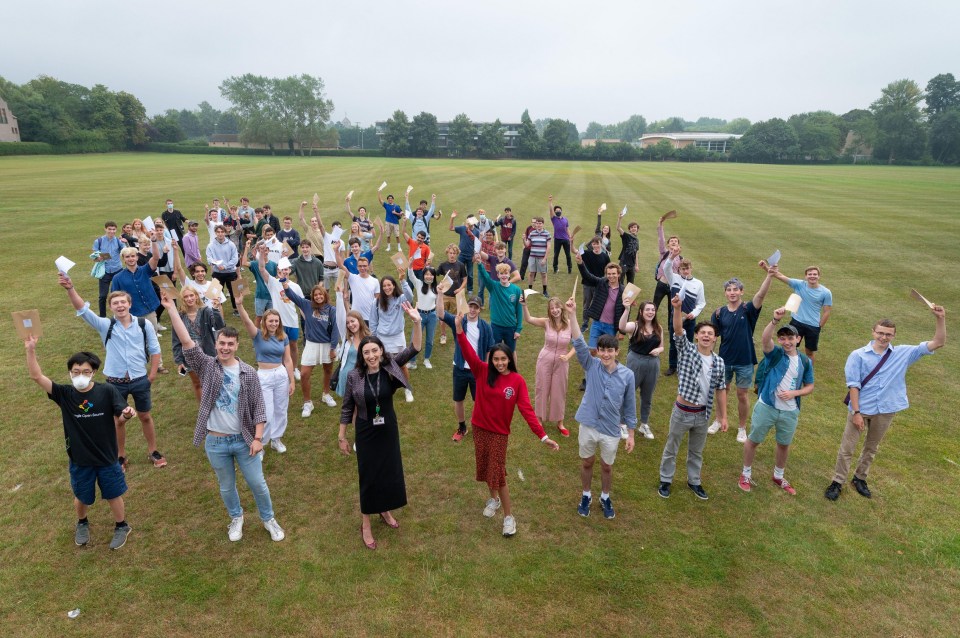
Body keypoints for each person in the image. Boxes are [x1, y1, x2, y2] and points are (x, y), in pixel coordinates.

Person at [159, 293, 286, 543]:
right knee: (227, 487)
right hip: (216, 443)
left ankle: (268, 519)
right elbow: (186, 341)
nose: (225, 348)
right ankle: (236, 517)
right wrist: (171, 309)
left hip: (244, 441)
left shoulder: (248, 373)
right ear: (216, 344)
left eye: (230, 344)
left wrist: (258, 438)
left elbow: (259, 409)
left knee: (258, 484)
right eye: (222, 343)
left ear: (237, 346)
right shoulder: (207, 366)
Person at [824, 304, 946, 501]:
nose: (883, 337)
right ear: (873, 332)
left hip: (886, 409)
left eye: (888, 334)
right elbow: (853, 386)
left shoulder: (903, 353)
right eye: (880, 333)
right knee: (848, 448)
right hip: (861, 409)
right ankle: (837, 482)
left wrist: (940, 318)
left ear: (894, 336)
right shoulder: (858, 355)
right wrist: (856, 413)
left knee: (871, 448)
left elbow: (938, 342)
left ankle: (860, 478)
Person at [26, 338, 136, 550]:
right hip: (80, 458)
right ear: (69, 372)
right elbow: (36, 376)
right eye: (75, 371)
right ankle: (82, 523)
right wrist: (31, 350)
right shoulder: (65, 394)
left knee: (114, 493)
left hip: (106, 456)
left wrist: (126, 415)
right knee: (82, 496)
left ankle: (122, 526)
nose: (80, 376)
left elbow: (121, 417)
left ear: (93, 372)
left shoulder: (107, 391)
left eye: (85, 372)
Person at [456, 318, 560, 537]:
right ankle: (492, 500)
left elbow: (527, 411)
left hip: (499, 435)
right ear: (491, 359)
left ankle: (508, 517)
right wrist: (458, 330)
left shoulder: (517, 381)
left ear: (509, 360)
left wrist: (543, 436)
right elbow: (467, 352)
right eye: (496, 359)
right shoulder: (482, 371)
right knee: (486, 468)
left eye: (503, 359)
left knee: (499, 474)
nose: (499, 363)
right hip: (480, 429)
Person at [60, 275, 167, 470]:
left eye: (122, 302)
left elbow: (155, 350)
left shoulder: (144, 324)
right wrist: (70, 288)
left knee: (145, 416)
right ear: (111, 307)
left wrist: (151, 375)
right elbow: (83, 310)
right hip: (114, 383)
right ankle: (120, 456)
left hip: (140, 379)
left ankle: (153, 451)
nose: (120, 306)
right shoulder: (105, 325)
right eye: (115, 303)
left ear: (129, 304)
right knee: (119, 420)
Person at [338, 306, 422, 550]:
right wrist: (342, 436)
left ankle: (384, 510)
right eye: (367, 352)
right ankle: (366, 523)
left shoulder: (390, 368)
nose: (372, 355)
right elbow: (346, 408)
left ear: (381, 351)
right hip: (365, 431)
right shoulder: (354, 376)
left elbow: (414, 348)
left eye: (375, 350)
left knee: (387, 471)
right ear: (361, 356)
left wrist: (416, 323)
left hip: (388, 429)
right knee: (368, 475)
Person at [567, 298, 637, 520]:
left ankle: (605, 496)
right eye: (602, 350)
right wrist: (572, 314)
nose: (606, 354)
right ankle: (586, 494)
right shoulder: (591, 365)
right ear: (597, 351)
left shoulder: (627, 375)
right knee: (587, 461)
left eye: (610, 351)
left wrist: (631, 434)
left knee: (607, 466)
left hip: (610, 428)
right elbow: (578, 342)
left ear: (617, 351)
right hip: (588, 423)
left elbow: (629, 406)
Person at [657, 294, 727, 501]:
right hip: (682, 412)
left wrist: (723, 417)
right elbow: (678, 331)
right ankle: (665, 480)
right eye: (703, 333)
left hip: (703, 415)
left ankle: (694, 481)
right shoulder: (687, 351)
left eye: (710, 333)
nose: (706, 336)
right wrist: (677, 309)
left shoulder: (719, 362)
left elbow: (721, 390)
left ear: (715, 338)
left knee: (696, 452)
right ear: (696, 336)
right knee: (672, 447)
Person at [739, 310, 815, 495]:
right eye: (782, 338)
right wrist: (774, 321)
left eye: (790, 338)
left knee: (784, 443)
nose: (786, 342)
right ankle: (745, 474)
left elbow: (810, 386)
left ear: (798, 339)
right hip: (767, 407)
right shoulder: (776, 355)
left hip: (790, 411)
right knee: (754, 440)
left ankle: (778, 475)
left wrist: (794, 393)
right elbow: (765, 340)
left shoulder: (805, 361)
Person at [707, 267, 776, 443]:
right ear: (725, 293)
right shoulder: (719, 312)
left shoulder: (748, 309)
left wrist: (769, 276)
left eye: (735, 289)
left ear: (741, 291)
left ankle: (742, 428)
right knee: (722, 390)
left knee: (742, 394)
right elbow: (712, 337)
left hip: (745, 360)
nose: (732, 292)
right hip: (724, 359)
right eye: (729, 290)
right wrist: (709, 357)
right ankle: (718, 419)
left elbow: (760, 295)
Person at [235, 294, 295, 454]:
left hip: (281, 375)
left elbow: (288, 360)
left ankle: (276, 439)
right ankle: (261, 443)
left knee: (281, 409)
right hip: (264, 376)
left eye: (276, 321)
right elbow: (247, 321)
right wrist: (240, 306)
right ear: (265, 322)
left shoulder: (284, 337)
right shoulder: (258, 335)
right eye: (270, 321)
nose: (274, 323)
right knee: (266, 413)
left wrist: (292, 381)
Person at [437, 287, 494, 442]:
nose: (473, 310)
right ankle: (462, 427)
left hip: (478, 371)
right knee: (459, 399)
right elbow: (441, 314)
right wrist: (440, 294)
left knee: (480, 401)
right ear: (467, 306)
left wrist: (487, 369)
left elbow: (489, 349)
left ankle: (481, 427)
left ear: (480, 309)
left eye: (476, 307)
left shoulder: (486, 327)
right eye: (471, 306)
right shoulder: (459, 321)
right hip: (460, 368)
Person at [283, 281, 339, 416]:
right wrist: (284, 283)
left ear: (325, 295)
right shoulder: (307, 305)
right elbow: (292, 296)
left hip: (327, 344)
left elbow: (335, 330)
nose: (318, 297)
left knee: (328, 370)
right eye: (316, 295)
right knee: (304, 374)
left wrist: (333, 347)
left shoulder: (331, 310)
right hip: (311, 344)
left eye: (321, 294)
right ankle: (308, 403)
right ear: (312, 297)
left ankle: (326, 394)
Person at [522, 295, 574, 438]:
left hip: (562, 363)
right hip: (544, 360)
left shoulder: (570, 324)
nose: (555, 310)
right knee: (542, 388)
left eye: (557, 307)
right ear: (549, 311)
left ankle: (560, 422)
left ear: (562, 308)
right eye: (552, 308)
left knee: (559, 391)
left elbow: (578, 343)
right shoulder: (546, 323)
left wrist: (568, 356)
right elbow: (529, 319)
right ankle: (539, 418)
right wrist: (524, 305)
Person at [766, 262, 833, 361]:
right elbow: (779, 275)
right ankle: (788, 370)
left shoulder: (826, 292)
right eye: (809, 274)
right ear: (806, 276)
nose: (812, 276)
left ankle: (808, 374)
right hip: (796, 322)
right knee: (789, 347)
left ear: (819, 276)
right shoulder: (799, 284)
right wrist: (765, 267)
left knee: (809, 352)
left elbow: (827, 311)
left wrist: (820, 326)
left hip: (813, 326)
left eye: (815, 274)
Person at [619, 299, 663, 441]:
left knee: (647, 396)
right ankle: (622, 423)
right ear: (641, 312)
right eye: (647, 310)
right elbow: (622, 327)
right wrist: (626, 309)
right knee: (628, 393)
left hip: (653, 364)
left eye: (653, 310)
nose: (650, 312)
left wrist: (659, 349)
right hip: (635, 362)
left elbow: (662, 346)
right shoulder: (635, 326)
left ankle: (644, 424)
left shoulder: (658, 328)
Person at [253, 253, 303, 377]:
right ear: (278, 271)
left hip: (292, 321)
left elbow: (301, 305)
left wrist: (307, 320)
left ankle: (294, 368)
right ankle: (280, 368)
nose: (284, 272)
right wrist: (261, 254)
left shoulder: (295, 287)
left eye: (286, 269)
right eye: (281, 270)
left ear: (290, 270)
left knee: (293, 345)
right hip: (278, 323)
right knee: (279, 346)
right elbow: (261, 269)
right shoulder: (273, 283)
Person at [172, 286, 225, 403]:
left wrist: (216, 309)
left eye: (192, 295)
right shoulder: (179, 316)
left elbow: (219, 326)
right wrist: (179, 361)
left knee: (214, 381)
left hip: (208, 352)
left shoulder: (206, 311)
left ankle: (218, 407)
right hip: (189, 355)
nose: (190, 298)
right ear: (183, 299)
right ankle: (204, 410)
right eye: (186, 297)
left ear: (196, 296)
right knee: (197, 384)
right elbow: (176, 339)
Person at [369, 272, 415, 401]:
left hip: (397, 337)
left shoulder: (400, 299)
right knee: (382, 365)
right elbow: (373, 321)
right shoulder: (377, 302)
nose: (387, 288)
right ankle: (384, 390)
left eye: (389, 285)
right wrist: (374, 338)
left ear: (394, 286)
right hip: (382, 338)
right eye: (384, 286)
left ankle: (407, 389)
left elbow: (410, 297)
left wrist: (403, 281)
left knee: (402, 365)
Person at [663, 258, 706, 377]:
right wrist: (671, 257)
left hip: (690, 319)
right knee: (673, 342)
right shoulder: (674, 279)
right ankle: (672, 366)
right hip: (675, 318)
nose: (685, 271)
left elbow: (701, 303)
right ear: (679, 269)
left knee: (688, 343)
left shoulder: (698, 284)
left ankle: (685, 366)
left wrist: (694, 313)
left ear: (691, 268)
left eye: (687, 268)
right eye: (683, 269)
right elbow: (666, 268)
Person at [475, 258, 523, 353]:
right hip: (496, 327)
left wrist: (518, 329)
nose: (504, 276)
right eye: (501, 273)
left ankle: (512, 368)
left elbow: (519, 310)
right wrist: (480, 264)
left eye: (506, 273)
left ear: (509, 274)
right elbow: (485, 277)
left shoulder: (517, 290)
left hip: (511, 328)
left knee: (510, 352)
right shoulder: (493, 287)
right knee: (494, 351)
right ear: (498, 275)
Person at [406, 265, 438, 370]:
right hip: (419, 315)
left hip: (432, 315)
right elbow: (410, 275)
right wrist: (410, 265)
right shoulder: (419, 284)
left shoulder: (436, 288)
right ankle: (412, 361)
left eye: (431, 274)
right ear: (423, 275)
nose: (428, 276)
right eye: (426, 274)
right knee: (414, 339)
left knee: (430, 339)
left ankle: (426, 359)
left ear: (434, 276)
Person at [334, 310, 371, 399]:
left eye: (352, 321)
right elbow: (339, 317)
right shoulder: (347, 339)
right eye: (347, 323)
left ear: (359, 321)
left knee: (362, 406)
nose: (350, 325)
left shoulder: (369, 338)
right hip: (346, 376)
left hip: (363, 376)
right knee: (349, 408)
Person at [435, 244, 467, 345]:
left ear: (457, 254)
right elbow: (434, 274)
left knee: (456, 317)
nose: (452, 255)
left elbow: (465, 279)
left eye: (454, 253)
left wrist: (460, 289)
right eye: (450, 253)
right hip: (444, 295)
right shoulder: (443, 265)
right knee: (442, 317)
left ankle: (457, 334)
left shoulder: (461, 265)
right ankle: (443, 335)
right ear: (447, 253)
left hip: (456, 296)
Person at [578, 234, 611, 332]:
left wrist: (606, 282)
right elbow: (576, 252)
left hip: (599, 285)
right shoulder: (587, 254)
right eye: (594, 244)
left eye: (597, 244)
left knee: (599, 304)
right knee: (586, 305)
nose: (596, 246)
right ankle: (585, 324)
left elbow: (608, 270)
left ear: (601, 244)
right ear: (592, 245)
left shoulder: (605, 257)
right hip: (587, 284)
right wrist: (571, 242)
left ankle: (598, 323)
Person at [336, 251, 381, 323]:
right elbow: (340, 265)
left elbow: (378, 300)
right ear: (357, 267)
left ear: (368, 267)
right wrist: (336, 251)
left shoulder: (375, 281)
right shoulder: (353, 278)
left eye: (364, 266)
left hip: (371, 317)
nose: (362, 268)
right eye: (360, 266)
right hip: (356, 317)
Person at [206, 225, 240, 317]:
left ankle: (236, 309)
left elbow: (235, 259)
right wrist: (215, 263)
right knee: (215, 292)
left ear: (225, 233)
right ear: (215, 233)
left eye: (222, 232)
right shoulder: (211, 245)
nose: (220, 234)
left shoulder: (231, 244)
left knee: (233, 292)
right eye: (218, 232)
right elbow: (209, 258)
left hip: (230, 272)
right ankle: (217, 309)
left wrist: (225, 266)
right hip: (217, 273)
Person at [93, 221, 124, 317]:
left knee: (118, 295)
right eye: (109, 229)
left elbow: (125, 252)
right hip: (105, 271)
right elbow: (94, 257)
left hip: (117, 270)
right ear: (105, 229)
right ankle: (102, 317)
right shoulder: (99, 241)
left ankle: (120, 315)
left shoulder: (119, 241)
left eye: (114, 229)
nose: (111, 231)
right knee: (102, 296)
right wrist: (98, 258)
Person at [652, 213, 682, 313]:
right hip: (662, 284)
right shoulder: (664, 253)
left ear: (678, 245)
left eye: (675, 241)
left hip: (673, 286)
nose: (673, 242)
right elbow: (661, 239)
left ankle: (671, 328)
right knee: (654, 306)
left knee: (672, 310)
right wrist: (660, 225)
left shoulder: (681, 258)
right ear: (668, 244)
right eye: (671, 241)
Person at [449, 210, 478, 294]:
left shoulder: (477, 231)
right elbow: (451, 228)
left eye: (471, 220)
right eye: (468, 220)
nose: (469, 222)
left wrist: (475, 255)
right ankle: (459, 288)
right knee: (459, 272)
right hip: (461, 255)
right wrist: (452, 218)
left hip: (470, 256)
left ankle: (470, 289)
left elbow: (478, 245)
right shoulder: (463, 228)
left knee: (470, 274)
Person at [525, 216, 551, 295]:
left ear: (543, 224)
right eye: (537, 223)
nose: (538, 225)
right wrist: (523, 239)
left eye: (540, 223)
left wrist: (545, 259)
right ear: (535, 224)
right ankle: (529, 290)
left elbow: (549, 247)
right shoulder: (532, 233)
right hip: (532, 257)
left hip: (542, 257)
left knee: (543, 274)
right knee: (531, 273)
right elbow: (527, 245)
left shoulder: (547, 234)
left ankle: (545, 291)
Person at [548, 195, 572, 274]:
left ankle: (569, 268)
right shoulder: (554, 218)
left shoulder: (565, 219)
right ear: (555, 212)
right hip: (557, 239)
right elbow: (551, 210)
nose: (558, 211)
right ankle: (555, 268)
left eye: (559, 210)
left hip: (566, 239)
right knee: (556, 255)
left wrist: (570, 236)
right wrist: (550, 201)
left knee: (568, 255)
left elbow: (567, 228)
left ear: (561, 211)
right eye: (556, 210)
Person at [616, 215, 640, 285]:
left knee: (630, 284)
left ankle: (628, 296)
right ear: (629, 229)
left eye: (635, 227)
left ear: (637, 229)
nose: (633, 228)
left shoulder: (637, 240)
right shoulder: (626, 236)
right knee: (620, 282)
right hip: (624, 263)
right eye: (631, 227)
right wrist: (619, 218)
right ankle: (619, 295)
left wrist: (636, 265)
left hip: (632, 265)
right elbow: (618, 228)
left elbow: (636, 253)